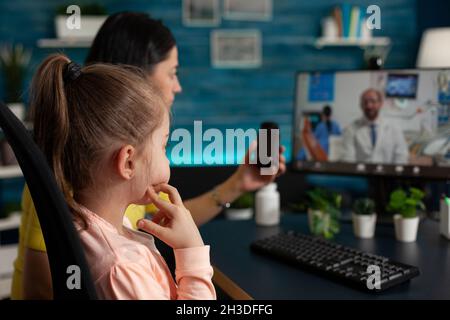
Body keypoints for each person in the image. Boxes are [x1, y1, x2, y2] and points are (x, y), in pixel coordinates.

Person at [11, 12, 286, 299]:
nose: (177, 86)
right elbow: (43, 288)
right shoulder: (64, 178)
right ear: (137, 78)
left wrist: (239, 183)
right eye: (172, 72)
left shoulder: (103, 205)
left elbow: (162, 221)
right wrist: (192, 253)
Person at [26, 53, 216, 300]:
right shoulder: (121, 269)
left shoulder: (87, 226)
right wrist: (191, 251)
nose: (167, 159)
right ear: (128, 162)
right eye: (163, 147)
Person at [341, 88, 409, 164]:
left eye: (373, 101)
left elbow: (401, 156)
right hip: (361, 174)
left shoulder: (394, 128)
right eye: (365, 102)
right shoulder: (350, 129)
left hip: (388, 174)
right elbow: (348, 158)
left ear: (380, 104)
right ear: (361, 105)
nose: (369, 106)